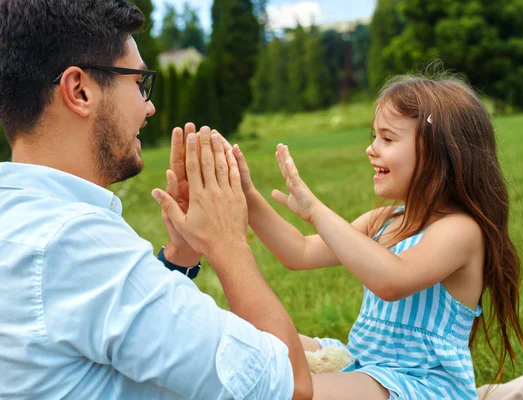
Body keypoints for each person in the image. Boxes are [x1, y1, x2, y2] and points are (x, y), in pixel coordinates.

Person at [0, 1, 312, 399]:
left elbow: (118, 331)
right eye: (139, 83)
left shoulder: (22, 220)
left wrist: (181, 254)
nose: (149, 107)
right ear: (79, 91)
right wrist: (228, 244)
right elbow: (289, 383)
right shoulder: (77, 245)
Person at [225, 75, 523, 399]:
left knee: (291, 390)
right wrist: (246, 196)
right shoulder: (383, 221)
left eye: (387, 138)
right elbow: (299, 252)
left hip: (423, 386)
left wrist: (316, 209)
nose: (371, 149)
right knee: (255, 339)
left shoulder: (459, 231)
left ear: (438, 152)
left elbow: (392, 280)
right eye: (374, 137)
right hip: (366, 366)